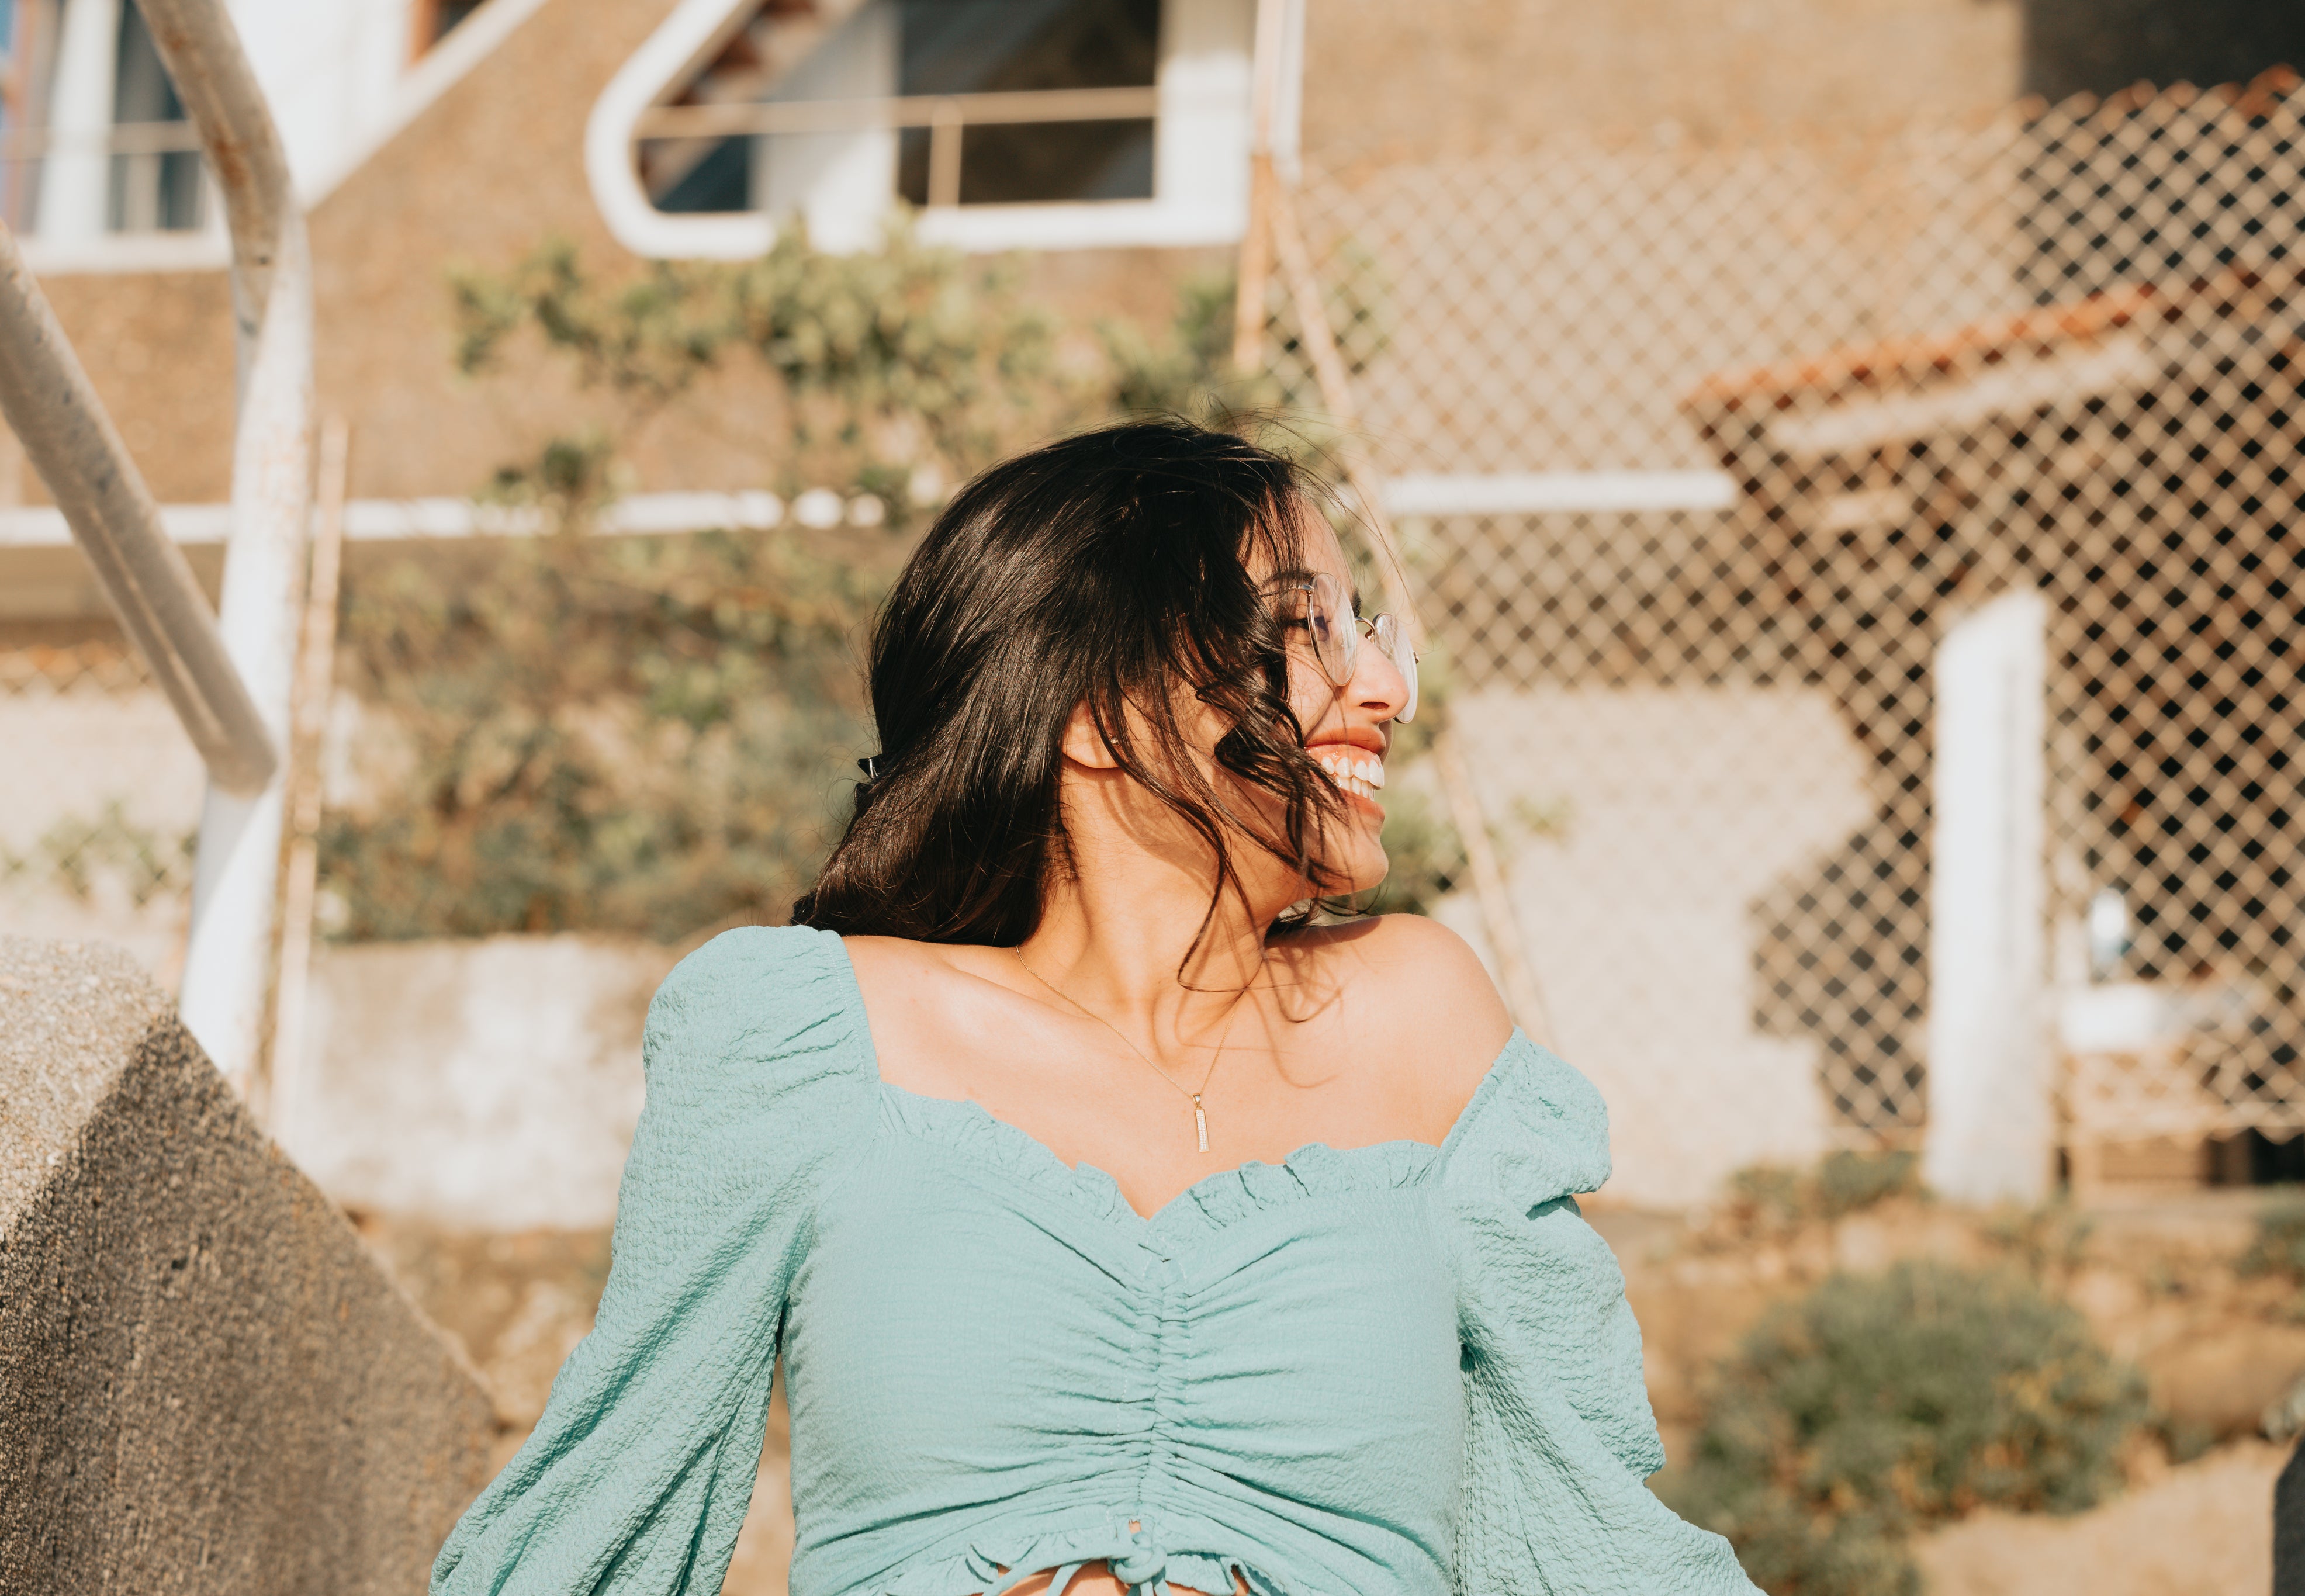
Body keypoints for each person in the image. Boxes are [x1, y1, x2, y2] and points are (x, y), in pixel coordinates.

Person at [429, 421, 1757, 1596]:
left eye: (1368, 632)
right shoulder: (805, 1031)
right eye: (1305, 630)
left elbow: (1590, 1542)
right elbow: (608, 1511)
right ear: (1094, 703)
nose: (1385, 687)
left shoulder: (1422, 1025)